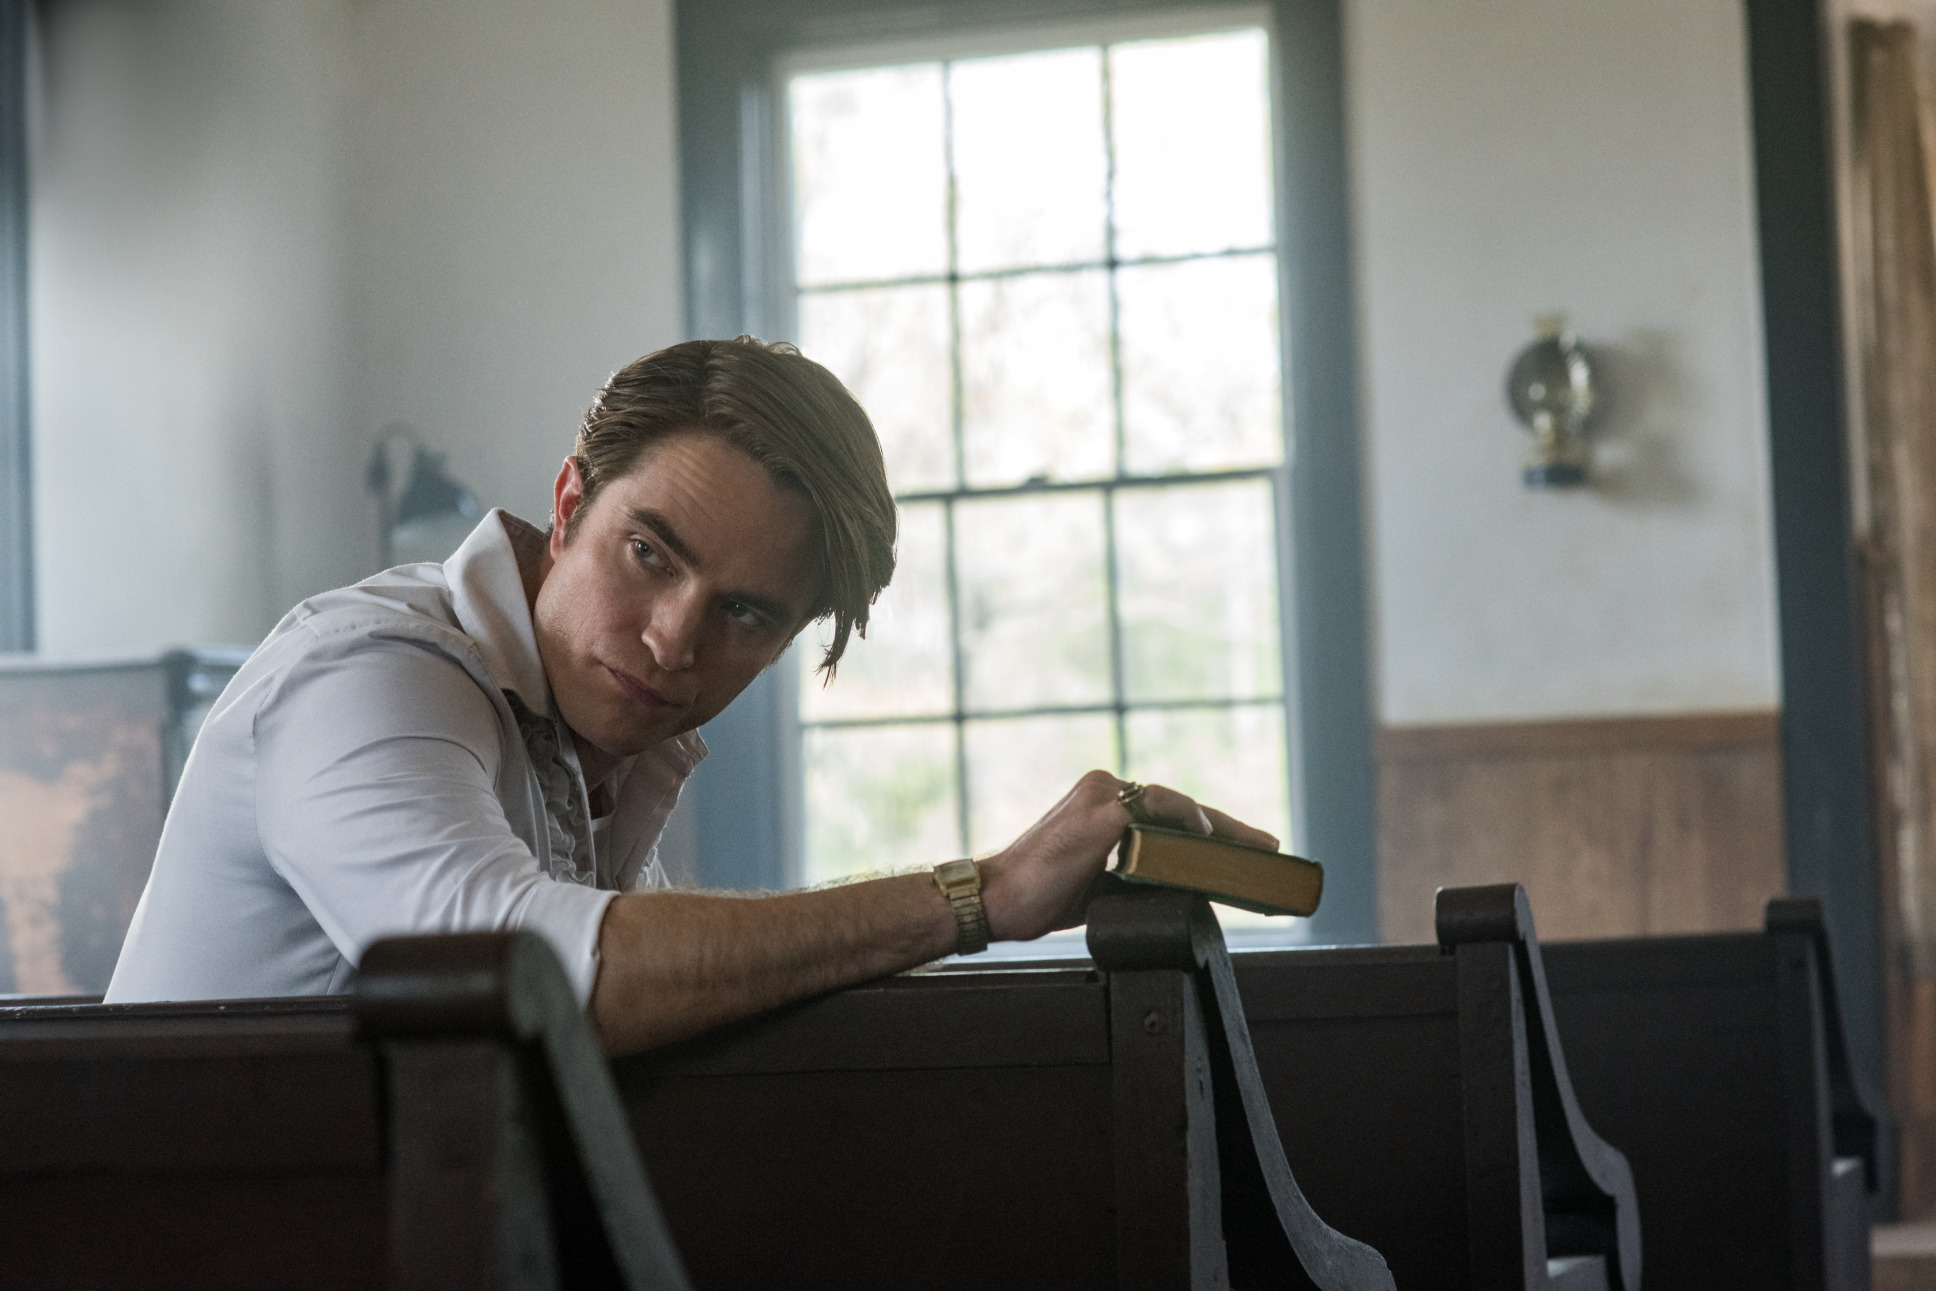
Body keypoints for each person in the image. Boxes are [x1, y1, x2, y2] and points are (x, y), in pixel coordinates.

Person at [106, 337, 1275, 1054]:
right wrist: (984, 894)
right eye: (649, 554)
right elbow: (535, 979)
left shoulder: (593, 759)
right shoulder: (369, 673)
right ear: (568, 507)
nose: (673, 640)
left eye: (747, 612)